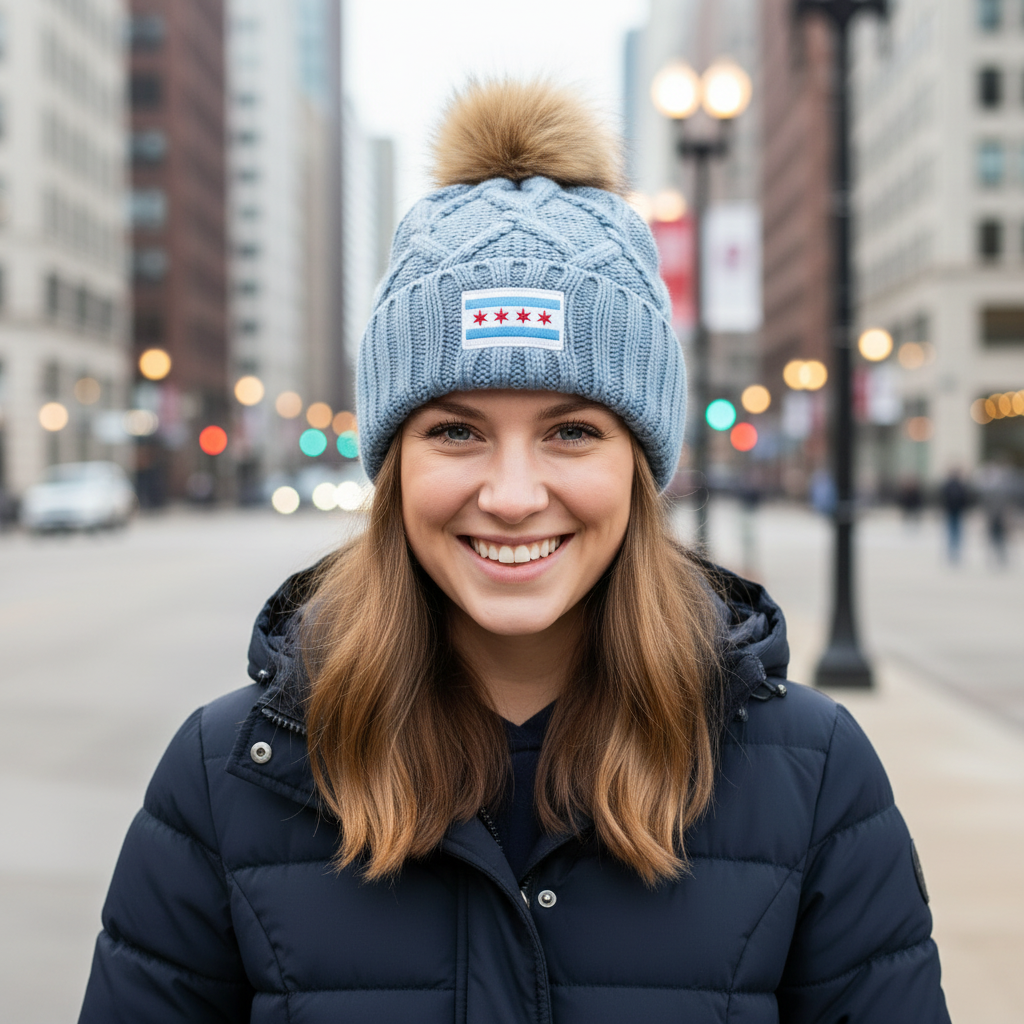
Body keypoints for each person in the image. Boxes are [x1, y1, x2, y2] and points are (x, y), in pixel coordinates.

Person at [79, 81, 948, 1023]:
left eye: (572, 431)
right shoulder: (226, 775)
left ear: (640, 465)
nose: (512, 495)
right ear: (394, 465)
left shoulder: (814, 777)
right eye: (456, 432)